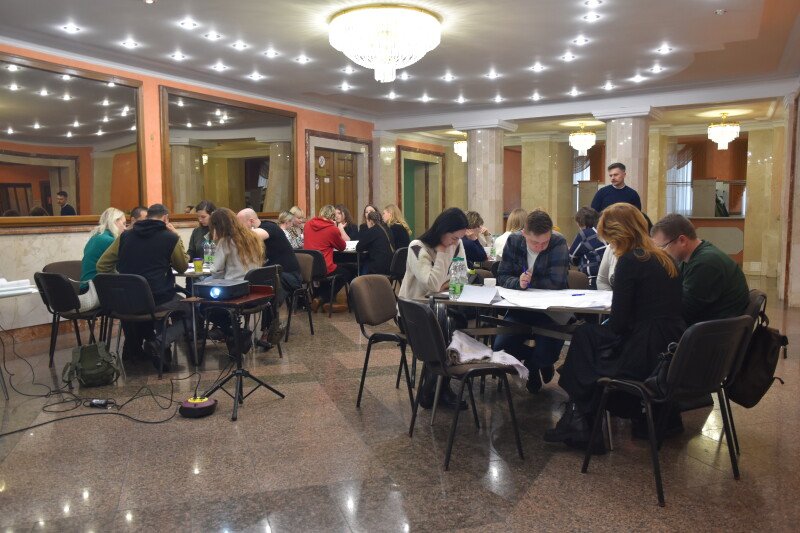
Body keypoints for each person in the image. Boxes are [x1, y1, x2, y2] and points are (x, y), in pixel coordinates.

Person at [544, 203, 685, 450]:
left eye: (609, 240)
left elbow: (619, 324)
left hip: (644, 350)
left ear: (618, 235)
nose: (609, 246)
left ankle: (581, 422)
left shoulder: (630, 261)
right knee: (587, 342)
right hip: (670, 344)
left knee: (583, 339)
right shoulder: (665, 258)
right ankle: (579, 419)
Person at [96, 204, 188, 369]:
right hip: (157, 299)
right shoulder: (169, 238)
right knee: (191, 309)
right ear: (165, 218)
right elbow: (182, 267)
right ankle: (159, 343)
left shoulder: (125, 236)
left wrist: (122, 282)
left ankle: (141, 349)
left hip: (126, 301)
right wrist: (177, 236)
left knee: (150, 311)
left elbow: (102, 265)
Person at [398, 207, 468, 411]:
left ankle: (433, 387)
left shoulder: (457, 244)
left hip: (442, 309)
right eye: (453, 238)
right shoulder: (416, 248)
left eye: (459, 238)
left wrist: (442, 284)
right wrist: (443, 254)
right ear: (443, 230)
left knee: (453, 323)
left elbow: (461, 278)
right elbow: (432, 284)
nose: (455, 242)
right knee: (447, 326)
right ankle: (439, 388)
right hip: (413, 314)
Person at [493, 210, 570, 393]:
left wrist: (528, 283)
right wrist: (517, 282)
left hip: (550, 311)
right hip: (520, 308)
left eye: (545, 242)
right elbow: (502, 276)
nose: (540, 247)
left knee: (548, 351)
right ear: (524, 234)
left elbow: (557, 282)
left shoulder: (558, 242)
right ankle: (535, 364)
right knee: (500, 348)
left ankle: (535, 365)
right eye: (535, 242)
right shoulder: (513, 241)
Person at [651, 213, 749, 325]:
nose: (660, 254)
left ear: (682, 241)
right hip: (709, 324)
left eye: (662, 248)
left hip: (715, 330)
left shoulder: (705, 263)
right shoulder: (690, 258)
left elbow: (683, 311)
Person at [238, 208, 302, 346]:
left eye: (240, 224)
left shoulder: (270, 227)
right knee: (253, 283)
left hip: (290, 275)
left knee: (269, 288)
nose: (239, 228)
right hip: (274, 274)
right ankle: (239, 330)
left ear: (250, 221)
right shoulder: (262, 229)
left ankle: (269, 331)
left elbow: (252, 236)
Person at [304, 205, 356, 312]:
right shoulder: (332, 229)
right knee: (347, 272)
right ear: (332, 217)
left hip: (309, 267)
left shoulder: (308, 224)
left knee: (328, 274)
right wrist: (336, 228)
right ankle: (322, 298)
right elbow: (342, 247)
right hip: (325, 268)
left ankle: (319, 299)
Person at [78, 207, 126, 311]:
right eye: (124, 223)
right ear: (115, 221)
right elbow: (122, 268)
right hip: (96, 291)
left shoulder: (95, 237)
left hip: (85, 288)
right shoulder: (110, 241)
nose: (125, 228)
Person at [568, 207, 606, 289]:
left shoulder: (584, 234)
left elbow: (572, 259)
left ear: (580, 223)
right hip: (608, 279)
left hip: (592, 282)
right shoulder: (604, 231)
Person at [357, 210, 395, 275]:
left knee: (365, 265)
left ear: (370, 221)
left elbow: (358, 248)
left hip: (378, 269)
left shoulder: (372, 231)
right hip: (391, 266)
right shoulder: (388, 229)